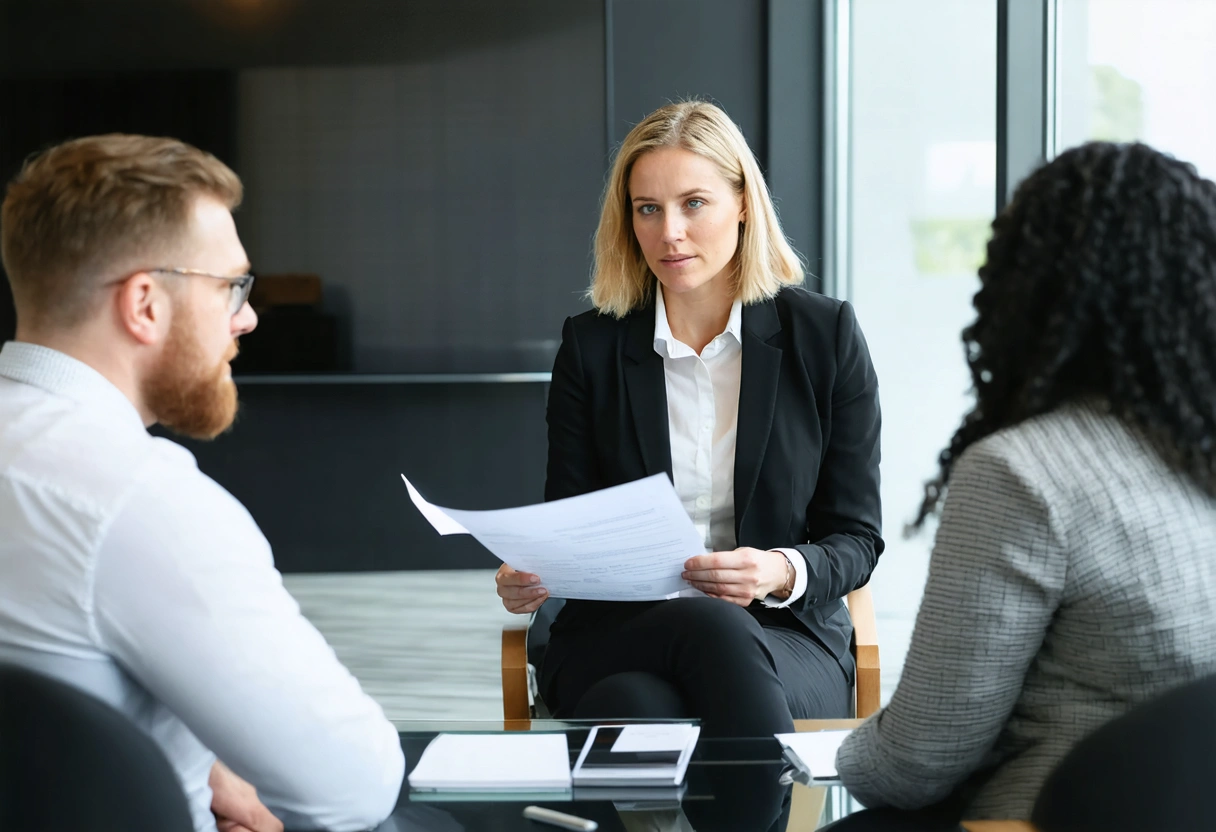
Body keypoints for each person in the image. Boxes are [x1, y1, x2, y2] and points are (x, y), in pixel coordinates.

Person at [0, 135, 404, 832]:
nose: (247, 317)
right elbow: (354, 786)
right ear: (145, 304)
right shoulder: (139, 498)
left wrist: (200, 752)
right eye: (231, 287)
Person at [835, 141, 1216, 820]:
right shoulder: (1198, 458)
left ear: (1026, 288)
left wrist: (842, 753)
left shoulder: (1024, 475)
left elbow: (915, 763)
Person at [495, 100, 883, 737]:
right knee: (687, 654)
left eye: (694, 203)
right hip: (618, 630)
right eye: (647, 208)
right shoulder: (592, 348)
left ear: (743, 206)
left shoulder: (824, 336)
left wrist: (780, 570)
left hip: (782, 635)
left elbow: (856, 540)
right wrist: (532, 574)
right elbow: (572, 520)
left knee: (647, 705)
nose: (668, 231)